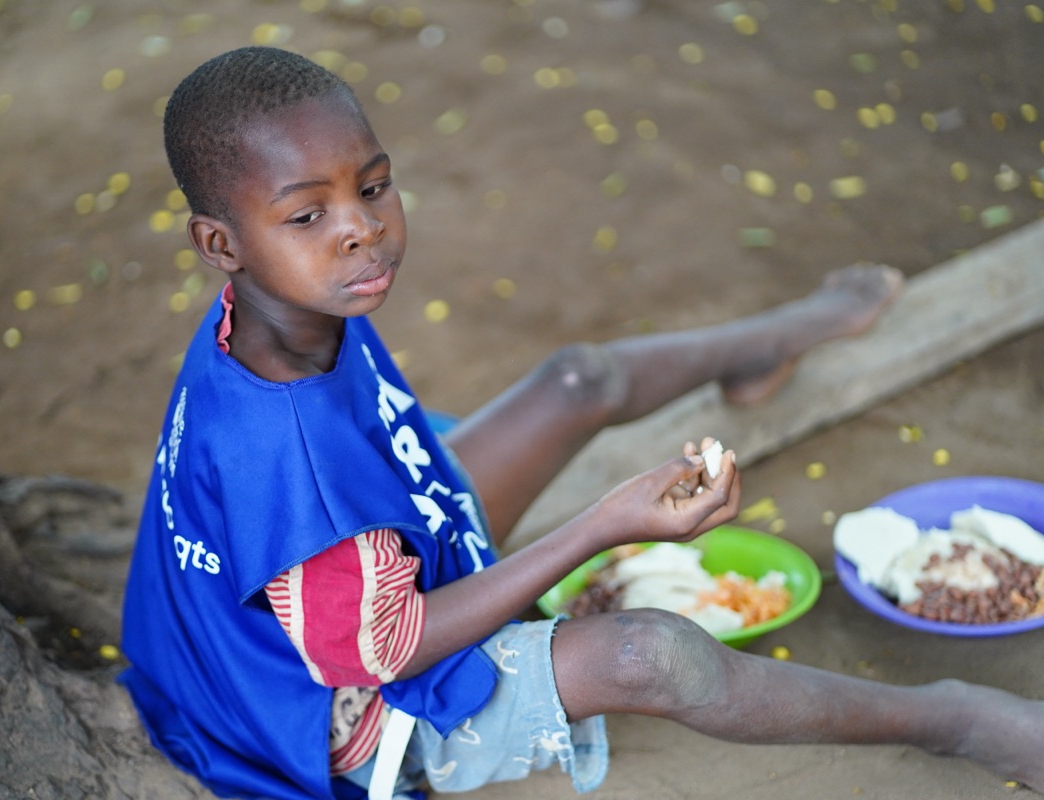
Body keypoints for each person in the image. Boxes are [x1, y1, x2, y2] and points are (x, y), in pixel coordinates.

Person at [118, 45, 1044, 800]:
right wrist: (602, 526)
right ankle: (953, 717)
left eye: (374, 185)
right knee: (653, 656)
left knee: (576, 379)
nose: (360, 228)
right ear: (220, 244)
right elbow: (383, 646)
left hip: (322, 599)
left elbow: (350, 501)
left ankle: (780, 339)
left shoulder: (277, 313)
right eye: (307, 213)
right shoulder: (288, 460)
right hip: (346, 722)